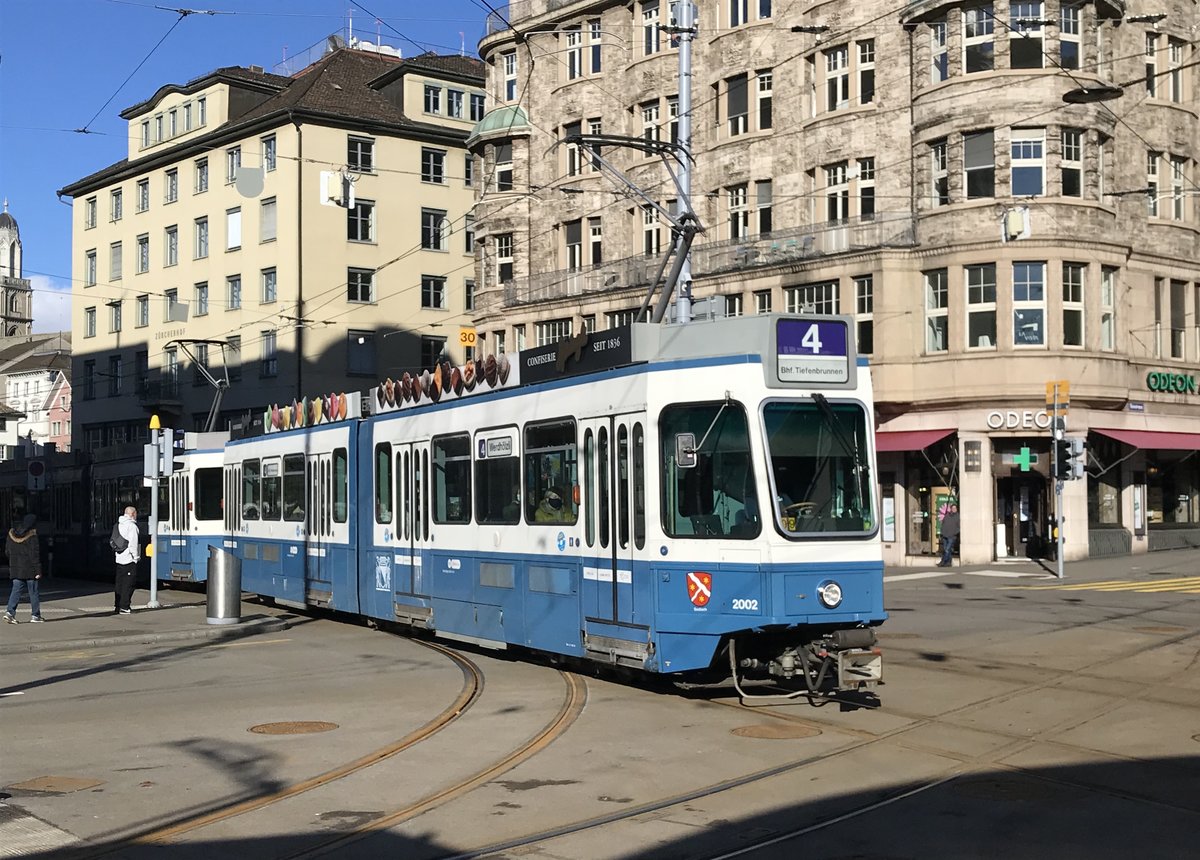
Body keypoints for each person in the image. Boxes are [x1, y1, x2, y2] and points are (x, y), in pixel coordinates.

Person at [3, 514, 43, 623]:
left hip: (16, 568)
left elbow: (7, 552)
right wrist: (38, 570)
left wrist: (14, 562)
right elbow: (34, 555)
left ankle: (10, 612)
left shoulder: (11, 534)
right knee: (33, 592)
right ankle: (35, 616)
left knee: (16, 590)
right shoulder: (32, 536)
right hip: (30, 569)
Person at [113, 505, 139, 615]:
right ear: (132, 514)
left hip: (119, 558)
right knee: (128, 584)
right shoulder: (132, 526)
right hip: (129, 559)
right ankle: (125, 606)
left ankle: (118, 605)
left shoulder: (118, 524)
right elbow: (133, 543)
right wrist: (136, 557)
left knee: (119, 583)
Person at [938, 501, 960, 567]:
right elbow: (943, 524)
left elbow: (959, 527)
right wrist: (942, 532)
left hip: (952, 536)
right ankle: (948, 562)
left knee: (947, 549)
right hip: (945, 535)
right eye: (953, 508)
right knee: (946, 550)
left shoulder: (958, 516)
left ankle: (943, 562)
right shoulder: (947, 515)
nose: (954, 509)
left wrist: (955, 533)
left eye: (955, 508)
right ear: (951, 509)